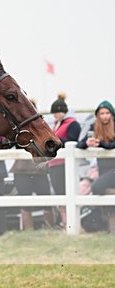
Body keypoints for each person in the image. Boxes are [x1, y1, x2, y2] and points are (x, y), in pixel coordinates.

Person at [78, 100, 115, 231]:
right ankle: (112, 228)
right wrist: (87, 143)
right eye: (101, 113)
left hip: (113, 169)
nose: (104, 116)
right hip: (103, 169)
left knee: (96, 187)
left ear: (111, 114)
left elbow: (112, 145)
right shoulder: (94, 126)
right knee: (105, 193)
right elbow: (80, 144)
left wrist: (100, 144)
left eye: (107, 113)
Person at [45, 93, 80, 227]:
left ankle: (68, 221)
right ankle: (63, 220)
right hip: (55, 164)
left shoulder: (72, 124)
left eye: (57, 112)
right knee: (59, 193)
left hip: (65, 164)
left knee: (65, 192)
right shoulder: (56, 124)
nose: (55, 115)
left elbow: (72, 141)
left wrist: (55, 141)